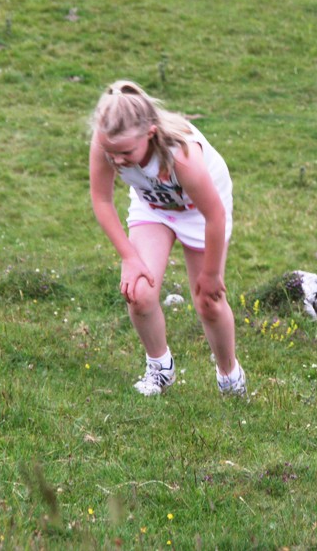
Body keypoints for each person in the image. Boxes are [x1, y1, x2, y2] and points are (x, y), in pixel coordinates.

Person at [89, 80, 246, 397]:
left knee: (208, 303)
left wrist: (211, 275)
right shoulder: (106, 141)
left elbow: (215, 215)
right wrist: (129, 258)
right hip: (153, 206)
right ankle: (160, 367)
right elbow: (102, 200)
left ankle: (230, 375)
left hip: (200, 212)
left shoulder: (182, 156)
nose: (116, 161)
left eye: (126, 153)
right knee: (138, 292)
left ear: (149, 133)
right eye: (111, 153)